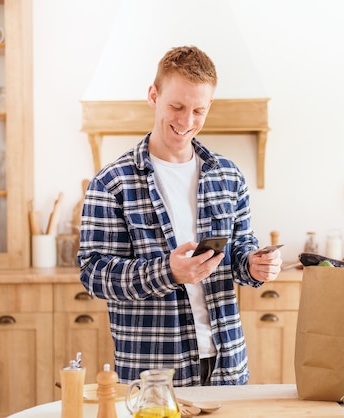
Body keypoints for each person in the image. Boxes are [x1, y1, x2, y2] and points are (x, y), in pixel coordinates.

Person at [77, 45, 282, 387]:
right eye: (176, 106)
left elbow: (240, 251)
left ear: (210, 105)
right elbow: (94, 273)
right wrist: (167, 271)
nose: (187, 121)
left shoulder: (229, 177)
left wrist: (254, 266)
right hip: (155, 370)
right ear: (153, 95)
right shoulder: (112, 183)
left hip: (225, 365)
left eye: (198, 110)